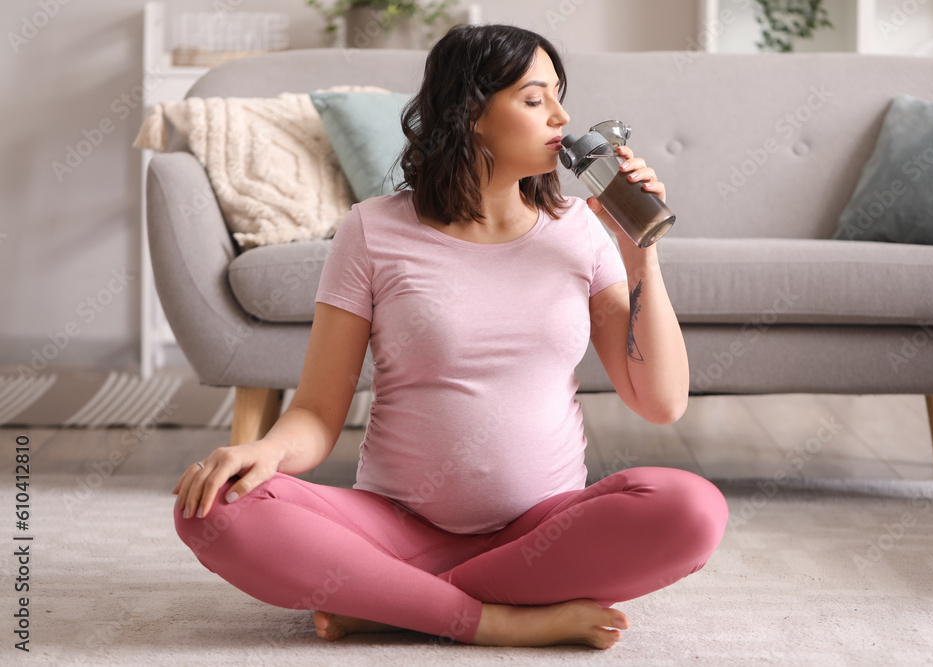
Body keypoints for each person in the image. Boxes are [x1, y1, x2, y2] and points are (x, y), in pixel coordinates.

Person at [173, 23, 728, 651]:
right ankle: (497, 618)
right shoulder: (372, 230)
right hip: (395, 524)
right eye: (534, 98)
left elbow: (661, 402)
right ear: (471, 113)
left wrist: (641, 257)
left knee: (693, 509)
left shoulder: (577, 230)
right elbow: (318, 411)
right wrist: (267, 452)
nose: (562, 116)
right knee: (212, 507)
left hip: (539, 532)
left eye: (558, 95)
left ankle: (392, 602)